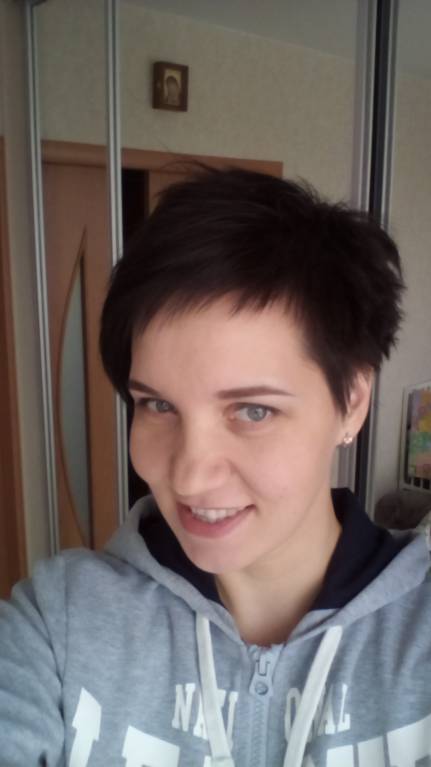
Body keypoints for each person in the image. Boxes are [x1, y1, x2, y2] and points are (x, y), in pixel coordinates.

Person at [0, 166, 430, 766]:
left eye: (253, 411)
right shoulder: (61, 623)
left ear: (351, 402)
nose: (188, 477)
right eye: (157, 405)